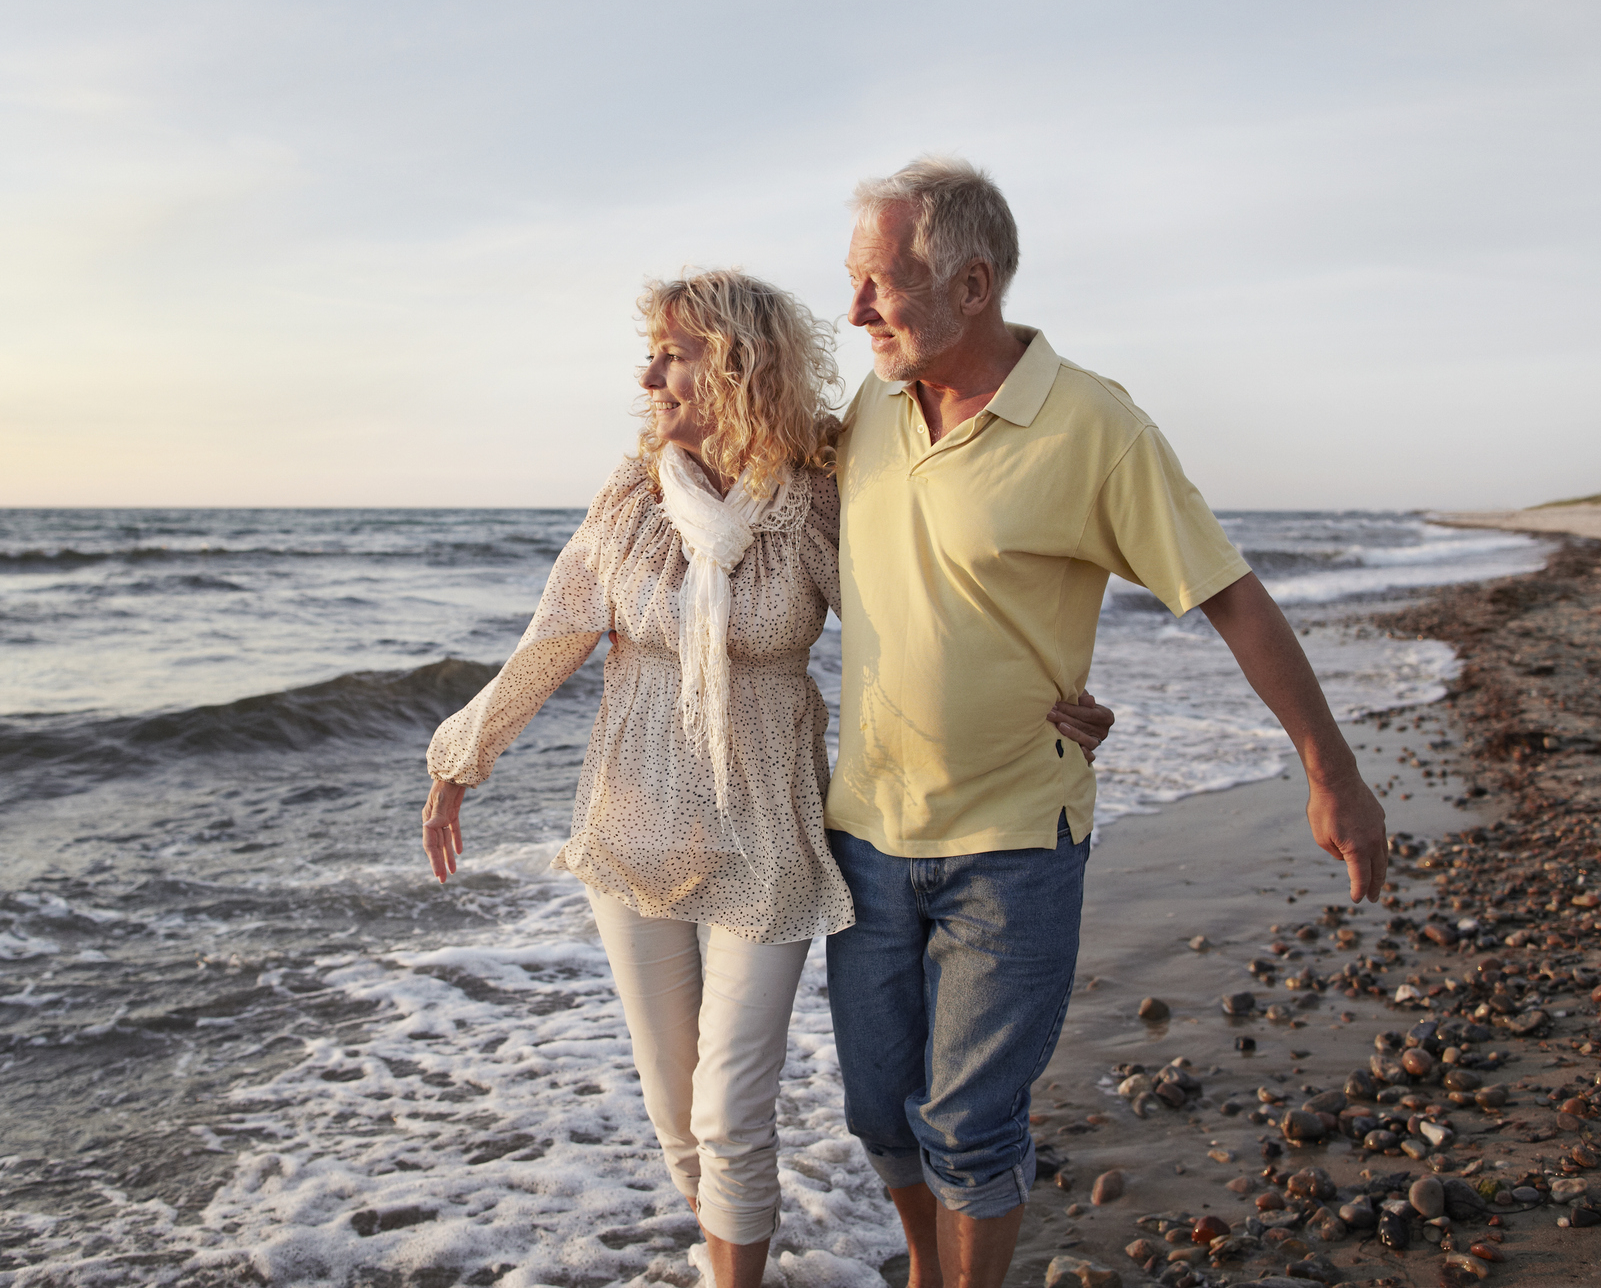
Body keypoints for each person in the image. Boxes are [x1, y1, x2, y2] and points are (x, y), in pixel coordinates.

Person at [421, 269, 1116, 1287]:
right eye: (650, 350)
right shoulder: (626, 501)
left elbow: (914, 627)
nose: (646, 369)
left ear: (738, 363)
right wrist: (458, 759)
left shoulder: (809, 503)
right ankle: (725, 1254)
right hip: (634, 823)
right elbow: (552, 635)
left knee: (728, 1104)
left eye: (673, 351)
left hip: (769, 835)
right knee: (676, 1117)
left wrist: (1043, 693)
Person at [824, 157, 1390, 1288]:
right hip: (863, 836)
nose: (853, 312)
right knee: (880, 1114)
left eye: (876, 284)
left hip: (1013, 843)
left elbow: (1225, 591)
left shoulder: (1093, 424)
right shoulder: (868, 410)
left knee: (969, 1124)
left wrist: (1334, 774)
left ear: (971, 283)